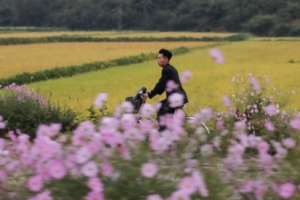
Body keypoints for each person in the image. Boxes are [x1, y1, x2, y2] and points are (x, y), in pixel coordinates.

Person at [144, 48, 188, 130]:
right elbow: (164, 85)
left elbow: (161, 83)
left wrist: (150, 94)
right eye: (158, 58)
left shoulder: (167, 70)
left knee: (163, 115)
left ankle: (163, 133)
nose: (158, 60)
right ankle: (168, 129)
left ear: (166, 59)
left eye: (159, 58)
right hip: (176, 97)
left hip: (175, 98)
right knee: (159, 106)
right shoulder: (170, 69)